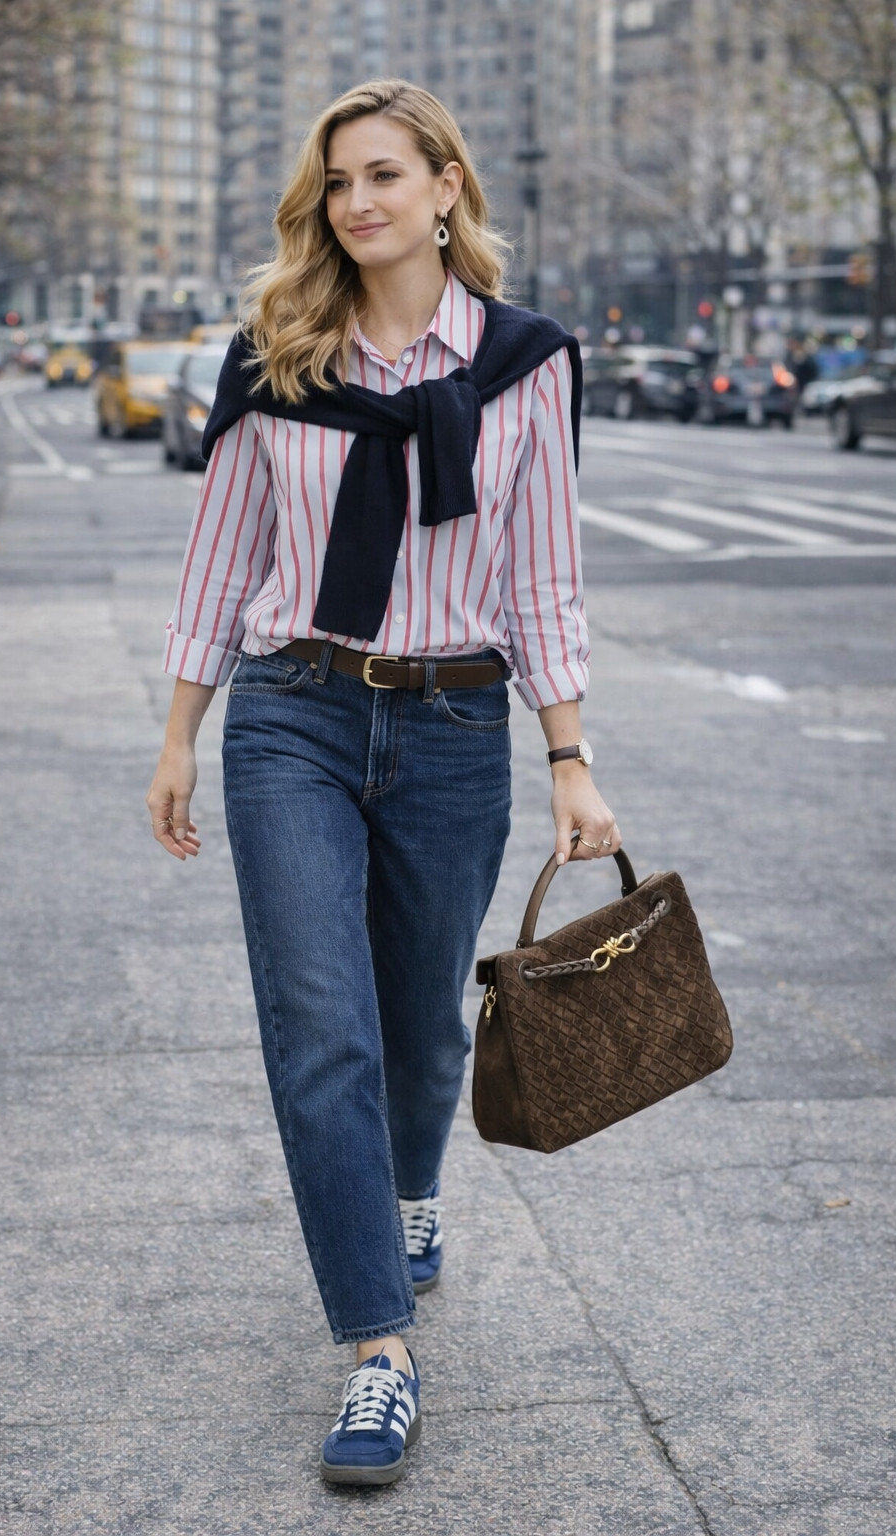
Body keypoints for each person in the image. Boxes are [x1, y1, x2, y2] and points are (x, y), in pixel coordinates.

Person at [146, 79, 618, 1487]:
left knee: (422, 1036)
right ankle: (376, 1353)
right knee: (321, 1033)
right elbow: (221, 556)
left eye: (385, 175)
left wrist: (571, 759)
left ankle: (410, 1194)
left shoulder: (527, 362)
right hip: (290, 713)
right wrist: (179, 733)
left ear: (447, 188)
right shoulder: (275, 350)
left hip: (457, 728)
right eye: (338, 181)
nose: (358, 202)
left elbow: (542, 576)